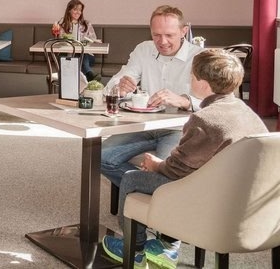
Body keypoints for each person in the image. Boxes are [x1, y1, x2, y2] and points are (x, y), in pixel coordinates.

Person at [101, 49, 268, 268]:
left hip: (208, 196)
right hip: (242, 195)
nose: (190, 80)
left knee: (132, 179)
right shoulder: (248, 113)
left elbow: (177, 170)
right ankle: (162, 243)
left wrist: (156, 164)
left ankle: (135, 249)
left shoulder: (204, 119)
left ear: (203, 85)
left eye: (192, 76)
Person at [100, 5, 204, 188]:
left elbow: (217, 103)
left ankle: (144, 190)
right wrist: (120, 87)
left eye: (169, 35)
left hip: (180, 129)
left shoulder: (199, 57)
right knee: (99, 157)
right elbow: (112, 86)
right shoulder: (143, 50)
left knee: (167, 172)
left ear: (184, 31)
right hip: (144, 125)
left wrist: (184, 101)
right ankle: (145, 188)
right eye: (156, 35)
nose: (162, 41)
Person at [57, 0, 99, 81]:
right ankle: (89, 76)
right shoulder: (63, 25)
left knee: (82, 53)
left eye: (80, 10)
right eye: (75, 9)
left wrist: (89, 41)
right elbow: (60, 41)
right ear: (69, 10)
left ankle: (89, 74)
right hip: (69, 54)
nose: (78, 12)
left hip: (87, 56)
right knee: (71, 57)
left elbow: (93, 39)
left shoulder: (87, 24)